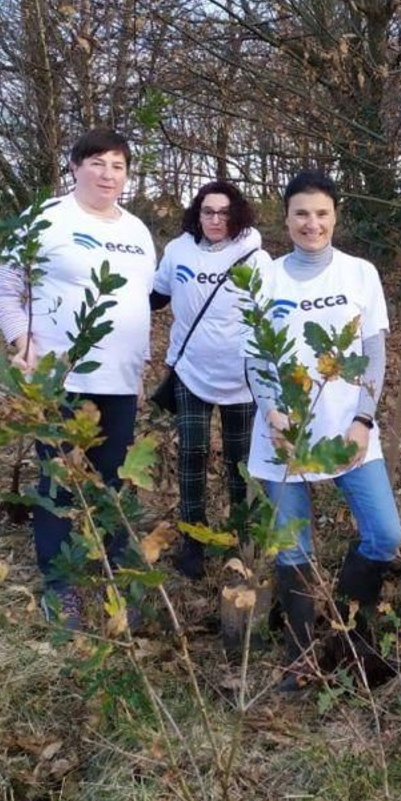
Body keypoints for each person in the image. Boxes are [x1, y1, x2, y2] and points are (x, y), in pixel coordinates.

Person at [0, 128, 157, 626]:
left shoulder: (138, 231)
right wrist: (24, 346)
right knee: (60, 481)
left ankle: (115, 578)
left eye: (118, 166)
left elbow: (138, 303)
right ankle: (60, 585)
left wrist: (140, 366)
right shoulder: (45, 219)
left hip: (120, 382)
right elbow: (5, 291)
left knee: (114, 482)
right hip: (62, 379)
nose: (108, 174)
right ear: (75, 167)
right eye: (97, 163)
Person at [245, 170, 401, 690]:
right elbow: (254, 359)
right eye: (301, 214)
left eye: (321, 213)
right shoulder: (265, 278)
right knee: (293, 549)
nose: (311, 224)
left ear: (336, 216)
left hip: (348, 431)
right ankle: (300, 655)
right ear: (286, 218)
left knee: (384, 533)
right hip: (283, 436)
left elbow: (374, 354)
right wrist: (272, 412)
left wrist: (363, 419)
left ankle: (348, 633)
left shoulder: (360, 273)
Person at [150, 181, 271, 579]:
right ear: (197, 214)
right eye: (208, 211)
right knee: (192, 453)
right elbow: (154, 296)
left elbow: (274, 314)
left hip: (241, 376)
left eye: (224, 212)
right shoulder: (178, 250)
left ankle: (241, 537)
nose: (216, 219)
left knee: (241, 462)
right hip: (191, 372)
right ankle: (193, 541)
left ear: (237, 215)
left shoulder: (255, 257)